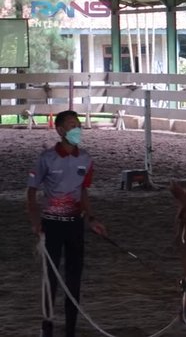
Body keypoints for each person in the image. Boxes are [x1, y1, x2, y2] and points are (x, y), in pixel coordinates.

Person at [27, 110, 107, 337]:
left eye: (78, 124)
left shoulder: (86, 159)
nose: (77, 129)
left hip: (75, 225)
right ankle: (47, 327)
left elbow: (83, 191)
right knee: (50, 279)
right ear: (60, 130)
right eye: (72, 125)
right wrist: (35, 222)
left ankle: (70, 329)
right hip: (51, 225)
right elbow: (31, 192)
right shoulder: (46, 158)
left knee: (74, 278)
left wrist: (91, 218)